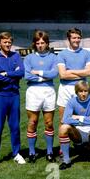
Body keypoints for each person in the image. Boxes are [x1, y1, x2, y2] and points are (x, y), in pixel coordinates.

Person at [0, 32, 26, 168]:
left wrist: (7, 73)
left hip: (14, 96)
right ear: (0, 43)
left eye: (9, 42)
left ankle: (16, 153)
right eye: (5, 42)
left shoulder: (15, 56)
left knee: (15, 127)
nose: (8, 44)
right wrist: (13, 76)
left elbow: (21, 72)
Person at [24, 30, 58, 163]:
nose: (40, 45)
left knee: (49, 123)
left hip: (49, 91)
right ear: (34, 44)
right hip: (33, 91)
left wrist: (37, 73)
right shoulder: (28, 58)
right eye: (37, 43)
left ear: (47, 43)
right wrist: (44, 77)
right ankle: (32, 152)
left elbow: (54, 73)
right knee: (32, 122)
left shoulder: (54, 57)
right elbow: (27, 75)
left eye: (43, 42)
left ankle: (49, 152)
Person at [58, 81, 90, 170]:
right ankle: (66, 160)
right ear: (76, 92)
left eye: (85, 91)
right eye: (80, 91)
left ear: (89, 91)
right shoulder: (72, 101)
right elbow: (65, 119)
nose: (83, 94)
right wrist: (88, 119)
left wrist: (78, 117)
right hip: (77, 133)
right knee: (63, 127)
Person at [56, 28, 90, 133]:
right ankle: (63, 148)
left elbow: (89, 72)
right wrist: (82, 73)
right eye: (74, 38)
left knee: (83, 117)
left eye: (78, 38)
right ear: (69, 39)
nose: (76, 40)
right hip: (65, 88)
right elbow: (62, 75)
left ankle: (82, 142)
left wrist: (70, 71)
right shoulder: (62, 54)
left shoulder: (87, 53)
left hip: (82, 88)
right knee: (63, 119)